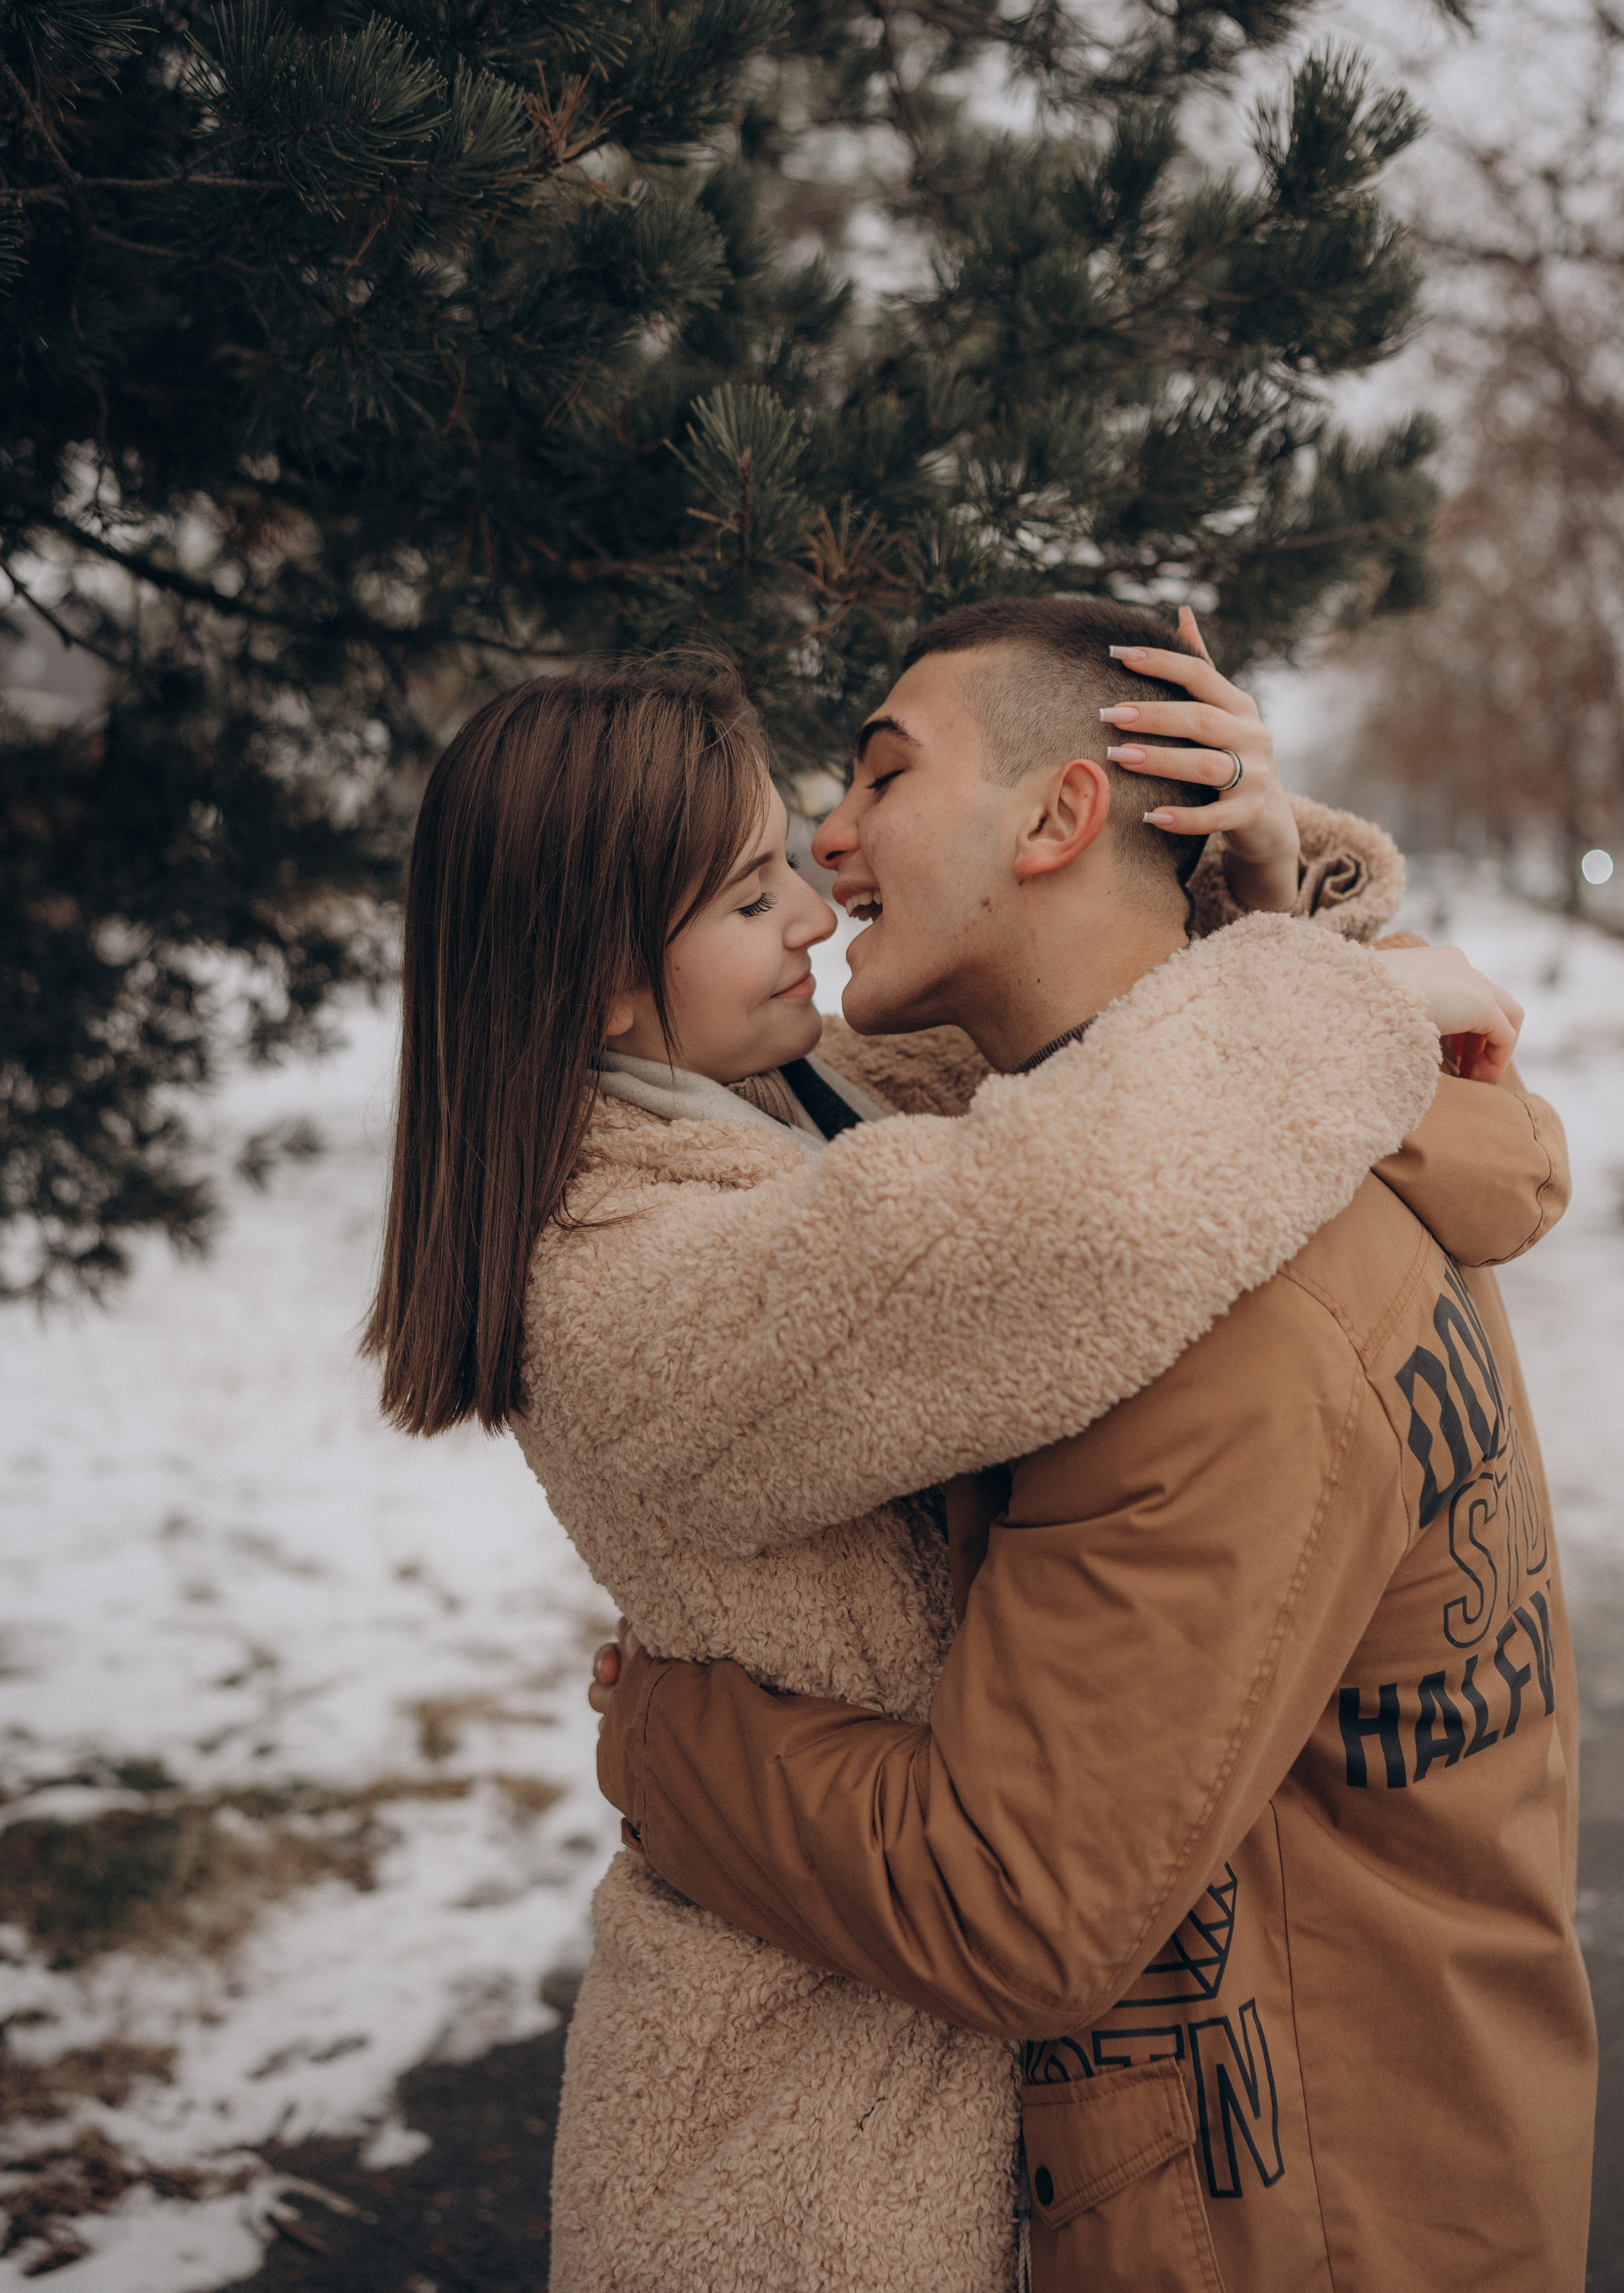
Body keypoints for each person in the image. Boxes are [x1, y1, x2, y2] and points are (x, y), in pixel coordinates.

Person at [364, 603, 1543, 2293]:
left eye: (833, 823)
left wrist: (1253, 882)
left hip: (938, 2046)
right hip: (788, 2156)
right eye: (750, 894)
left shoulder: (782, 1091)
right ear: (608, 980)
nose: (818, 894)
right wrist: (1341, 992)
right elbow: (1076, 1192)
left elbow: (1110, 1044)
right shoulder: (631, 1287)